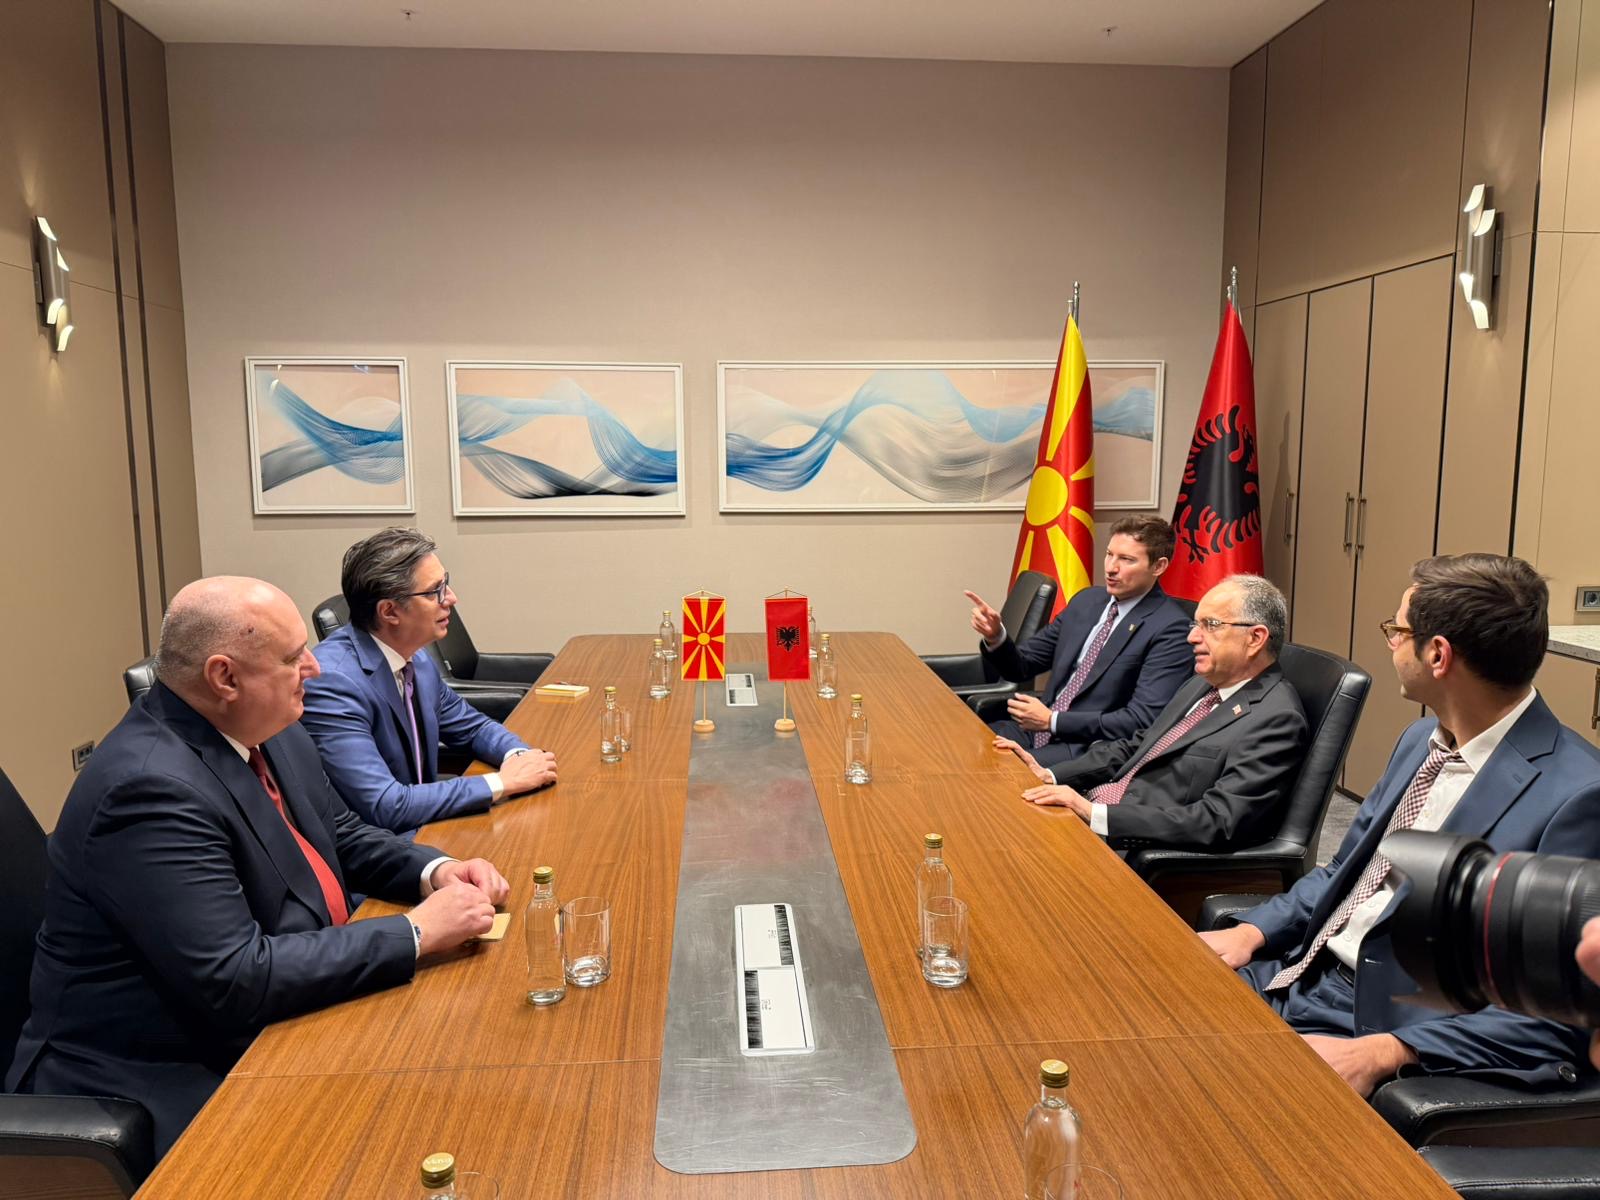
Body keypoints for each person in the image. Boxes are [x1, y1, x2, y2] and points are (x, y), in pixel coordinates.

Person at [6, 577, 508, 1156]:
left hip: (279, 1012)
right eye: (293, 658)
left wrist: (435, 871)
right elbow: (235, 977)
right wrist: (416, 933)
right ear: (225, 678)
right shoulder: (147, 790)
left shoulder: (271, 727)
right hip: (158, 1077)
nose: (314, 668)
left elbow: (339, 835)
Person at [1201, 554, 1600, 1096]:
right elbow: (1346, 872)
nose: (1391, 643)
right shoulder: (1420, 742)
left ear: (1437, 654)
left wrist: (1387, 1052)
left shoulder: (1579, 796)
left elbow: (1553, 1015)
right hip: (1303, 973)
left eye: (1398, 630)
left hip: (1383, 1028)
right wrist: (1253, 931)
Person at [998, 574, 1305, 850]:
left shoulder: (1276, 719)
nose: (1192, 637)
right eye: (1195, 625)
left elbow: (1218, 820)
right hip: (1097, 810)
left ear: (1255, 638)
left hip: (1133, 846)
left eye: (1210, 625)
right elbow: (1139, 746)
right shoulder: (1202, 683)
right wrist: (1050, 774)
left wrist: (1096, 815)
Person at [302, 528, 557, 833]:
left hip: (425, 821)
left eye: (445, 583)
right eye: (435, 591)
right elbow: (385, 805)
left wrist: (520, 757)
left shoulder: (416, 658)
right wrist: (502, 782)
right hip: (382, 845)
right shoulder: (332, 682)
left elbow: (473, 727)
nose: (451, 598)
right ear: (389, 611)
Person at [968, 515, 1193, 771]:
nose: (1111, 568)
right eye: (1109, 555)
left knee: (996, 771)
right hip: (1033, 730)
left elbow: (1142, 720)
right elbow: (1022, 666)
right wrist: (996, 636)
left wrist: (1053, 721)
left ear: (1158, 566)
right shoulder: (1087, 601)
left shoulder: (1171, 628)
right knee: (961, 747)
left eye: (1126, 559)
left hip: (1086, 748)